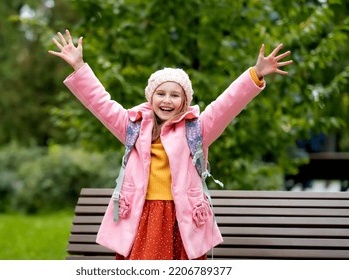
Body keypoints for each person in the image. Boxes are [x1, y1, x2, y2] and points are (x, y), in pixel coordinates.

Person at [49, 29, 293, 260]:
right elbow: (100, 102)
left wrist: (256, 74)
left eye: (175, 95)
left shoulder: (197, 128)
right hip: (142, 218)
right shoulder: (132, 126)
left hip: (181, 219)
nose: (167, 100)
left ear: (185, 101)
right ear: (150, 97)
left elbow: (226, 105)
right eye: (161, 93)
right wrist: (79, 66)